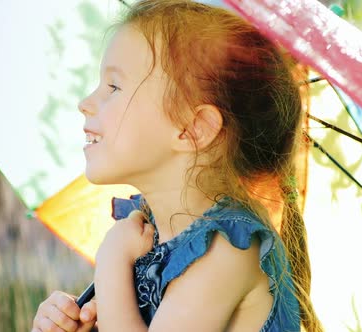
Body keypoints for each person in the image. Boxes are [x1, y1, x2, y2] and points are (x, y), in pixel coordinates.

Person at [32, 0, 323, 331]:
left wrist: (112, 267)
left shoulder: (227, 251)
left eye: (113, 87)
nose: (84, 104)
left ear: (193, 129)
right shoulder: (151, 233)